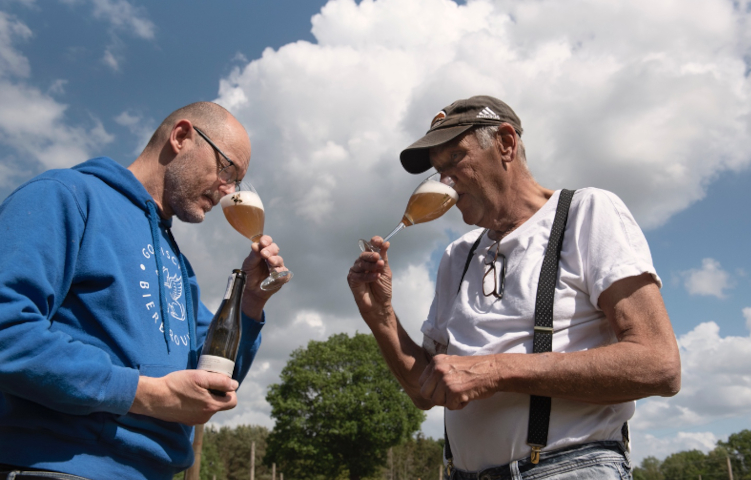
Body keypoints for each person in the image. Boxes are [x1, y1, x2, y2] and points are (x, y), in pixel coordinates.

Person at [347, 95, 681, 479]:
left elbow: (659, 365)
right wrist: (381, 317)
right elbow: (426, 392)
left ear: (506, 144)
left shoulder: (586, 212)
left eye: (454, 159)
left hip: (569, 468)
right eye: (437, 171)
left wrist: (494, 370)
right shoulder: (456, 256)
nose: (444, 182)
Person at [0, 102, 290, 480]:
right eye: (227, 169)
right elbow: (8, 331)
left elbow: (213, 375)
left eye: (237, 181)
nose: (229, 191)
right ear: (182, 136)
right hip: (59, 466)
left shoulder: (181, 267)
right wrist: (147, 394)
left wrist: (250, 302)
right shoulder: (66, 195)